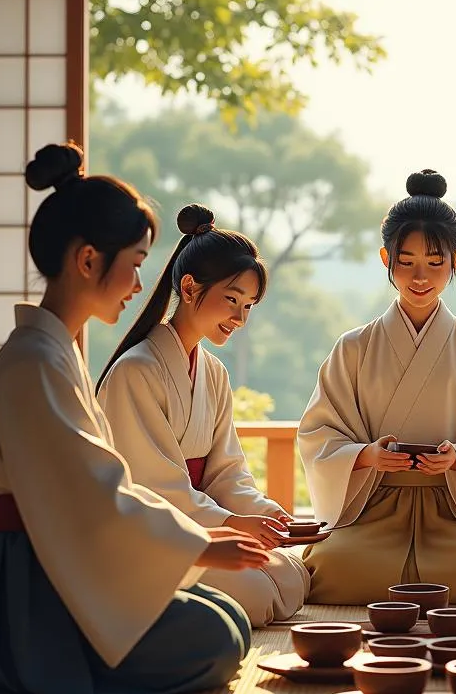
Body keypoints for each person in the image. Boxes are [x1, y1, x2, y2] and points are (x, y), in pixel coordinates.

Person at [0, 143, 268, 694]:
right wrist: (200, 547)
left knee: (229, 615)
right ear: (89, 261)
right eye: (135, 264)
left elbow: (98, 492)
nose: (140, 285)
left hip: (54, 552)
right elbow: (95, 496)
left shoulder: (52, 353)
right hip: (24, 580)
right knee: (218, 637)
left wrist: (206, 537)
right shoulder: (36, 362)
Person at [298, 169, 456, 604]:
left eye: (434, 262)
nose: (420, 276)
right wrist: (366, 456)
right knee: (328, 570)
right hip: (371, 508)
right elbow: (319, 436)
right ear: (386, 259)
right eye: (405, 262)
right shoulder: (353, 348)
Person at [98, 204, 310, 626]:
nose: (239, 318)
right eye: (232, 300)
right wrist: (233, 523)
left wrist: (264, 514)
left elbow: (225, 472)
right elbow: (154, 488)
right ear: (191, 288)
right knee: (255, 592)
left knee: (292, 573)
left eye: (248, 306)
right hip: (152, 533)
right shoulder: (136, 371)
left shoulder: (213, 373)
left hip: (200, 520)